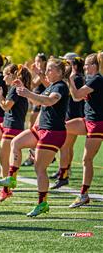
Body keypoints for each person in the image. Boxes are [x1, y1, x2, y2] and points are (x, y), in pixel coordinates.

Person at [0, 58, 69, 217]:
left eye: (49, 69)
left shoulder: (61, 87)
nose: (46, 72)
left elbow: (48, 101)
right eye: (47, 69)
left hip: (52, 132)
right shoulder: (51, 86)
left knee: (39, 168)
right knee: (16, 143)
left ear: (60, 73)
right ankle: (12, 178)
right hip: (40, 128)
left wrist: (27, 92)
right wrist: (23, 88)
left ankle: (42, 204)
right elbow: (38, 100)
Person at [65, 53, 103, 208]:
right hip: (88, 121)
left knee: (87, 160)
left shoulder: (97, 79)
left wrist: (70, 79)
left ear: (95, 65)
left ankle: (83, 194)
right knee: (62, 127)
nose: (85, 67)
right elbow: (76, 98)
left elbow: (77, 95)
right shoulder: (91, 79)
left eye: (87, 64)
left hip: (97, 123)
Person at [50, 53, 85, 188]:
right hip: (73, 115)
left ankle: (63, 174)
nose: (64, 65)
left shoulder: (75, 78)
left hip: (74, 115)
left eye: (66, 63)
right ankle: (65, 170)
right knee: (67, 146)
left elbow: (74, 96)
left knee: (65, 146)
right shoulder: (76, 77)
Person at [22, 53, 48, 166]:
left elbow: (33, 84)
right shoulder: (39, 73)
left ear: (44, 62)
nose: (36, 63)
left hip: (41, 101)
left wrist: (28, 72)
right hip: (35, 101)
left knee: (34, 129)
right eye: (36, 61)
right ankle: (32, 155)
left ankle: (35, 156)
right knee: (32, 127)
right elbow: (32, 85)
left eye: (39, 61)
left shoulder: (45, 73)